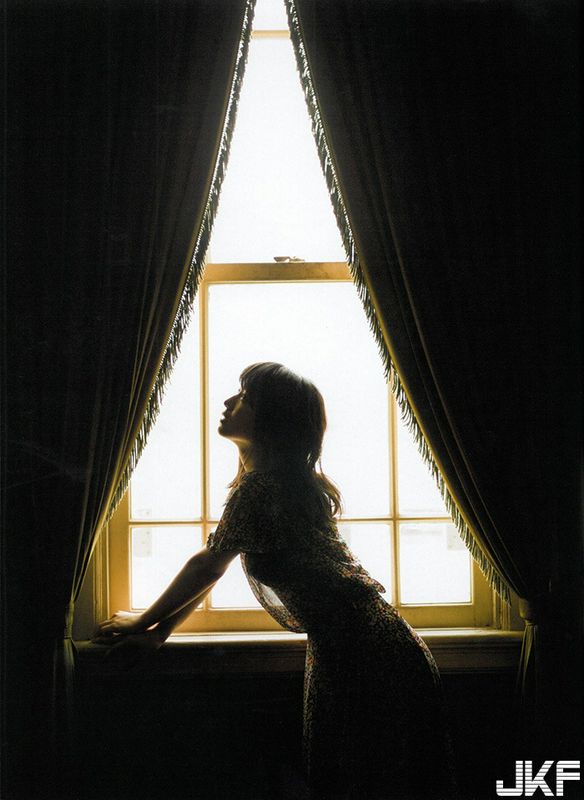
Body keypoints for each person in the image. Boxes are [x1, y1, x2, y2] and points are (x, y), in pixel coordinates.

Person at [96, 362, 457, 799]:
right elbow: (216, 566)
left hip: (363, 652)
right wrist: (160, 632)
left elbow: (207, 565)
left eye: (244, 398)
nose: (228, 402)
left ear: (271, 418)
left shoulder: (263, 488)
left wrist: (142, 623)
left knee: (358, 779)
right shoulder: (278, 485)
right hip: (371, 645)